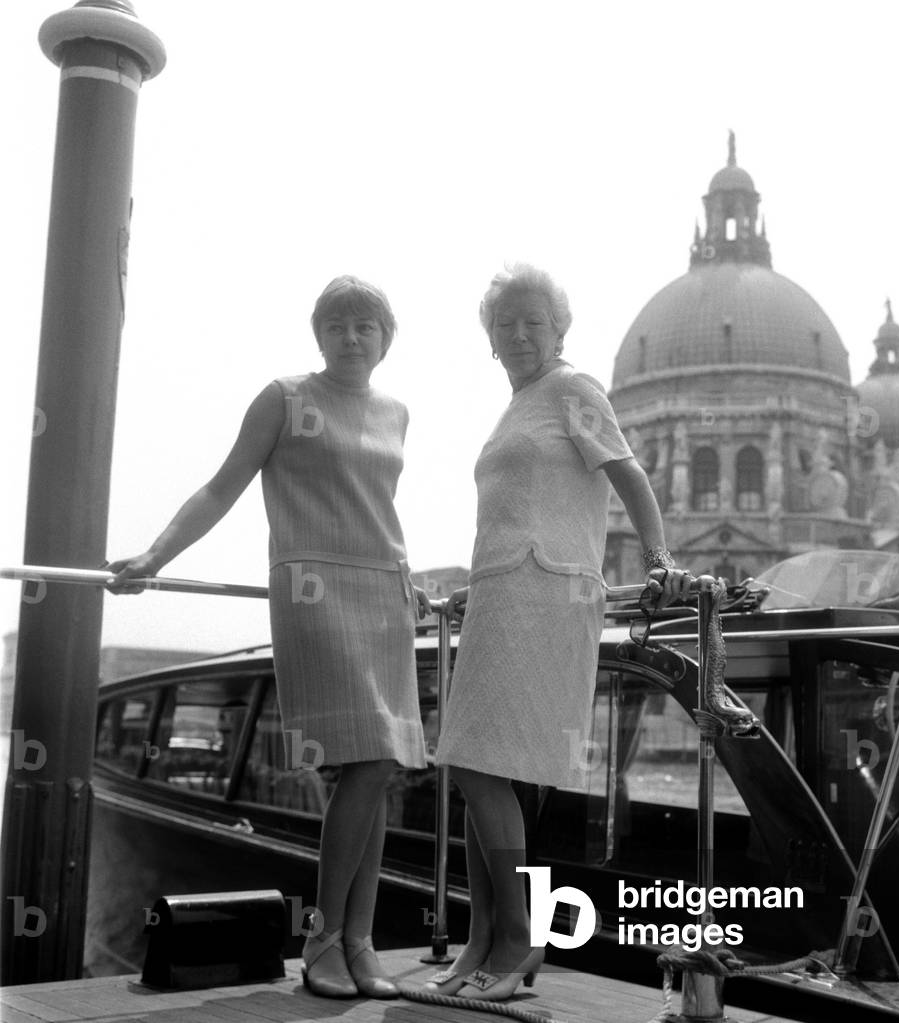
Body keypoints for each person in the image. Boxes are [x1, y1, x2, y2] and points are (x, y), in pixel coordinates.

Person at [107, 276, 427, 999]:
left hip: (386, 593)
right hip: (314, 589)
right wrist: (154, 557)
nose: (352, 336)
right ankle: (322, 939)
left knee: (378, 772)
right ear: (319, 334)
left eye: (366, 325)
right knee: (366, 765)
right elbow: (222, 486)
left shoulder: (398, 411)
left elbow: (376, 507)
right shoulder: (283, 397)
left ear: (386, 338)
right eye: (338, 324)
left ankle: (359, 939)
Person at [427, 264, 691, 1002]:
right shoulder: (518, 405)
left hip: (545, 594)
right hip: (500, 593)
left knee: (481, 765)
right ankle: (483, 937)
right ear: (490, 341)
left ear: (559, 329)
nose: (517, 333)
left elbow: (630, 475)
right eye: (504, 323)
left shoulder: (573, 389)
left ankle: (518, 938)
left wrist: (661, 557)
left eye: (532, 321)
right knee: (477, 762)